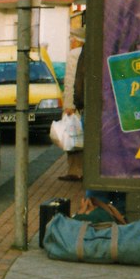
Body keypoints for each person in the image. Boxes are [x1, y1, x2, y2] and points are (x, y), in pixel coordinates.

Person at [60, 26, 85, 181]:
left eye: (71, 39)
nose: (70, 42)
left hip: (74, 104)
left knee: (72, 137)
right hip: (85, 102)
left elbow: (70, 81)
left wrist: (69, 105)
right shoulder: (89, 53)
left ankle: (75, 171)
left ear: (76, 40)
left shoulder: (74, 55)